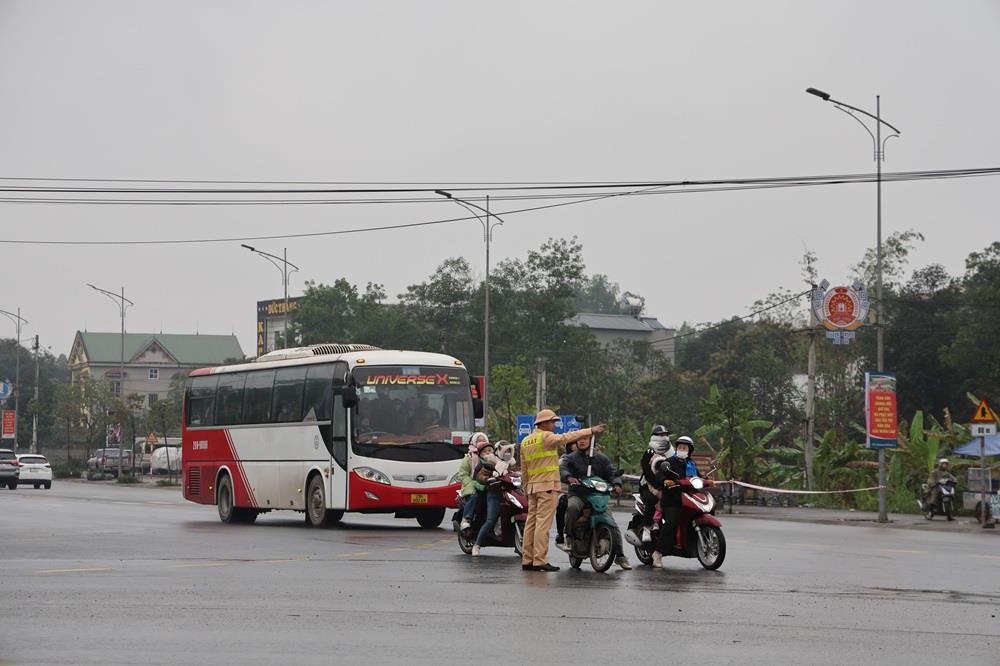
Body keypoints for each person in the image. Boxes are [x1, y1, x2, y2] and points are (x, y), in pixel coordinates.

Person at [520, 409, 605, 572]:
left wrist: (526, 488)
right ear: (543, 423)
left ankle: (527, 559)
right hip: (547, 487)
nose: (554, 425)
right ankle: (539, 560)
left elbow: (524, 469)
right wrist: (590, 431)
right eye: (552, 422)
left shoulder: (526, 441)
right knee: (542, 525)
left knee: (531, 524)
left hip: (532, 487)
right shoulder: (545, 437)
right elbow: (566, 438)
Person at [561, 435, 632, 570]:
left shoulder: (601, 459)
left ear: (591, 441)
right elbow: (564, 469)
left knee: (613, 524)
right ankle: (569, 537)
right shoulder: (571, 458)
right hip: (578, 494)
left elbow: (612, 473)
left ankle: (620, 556)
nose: (582, 441)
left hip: (598, 496)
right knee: (572, 508)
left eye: (585, 439)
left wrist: (617, 484)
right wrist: (569, 477)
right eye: (580, 439)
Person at [650, 435, 691, 569]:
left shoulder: (691, 464)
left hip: (688, 498)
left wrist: (707, 481)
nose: (682, 449)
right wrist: (665, 481)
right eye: (680, 447)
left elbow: (698, 477)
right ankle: (658, 553)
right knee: (672, 522)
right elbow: (660, 475)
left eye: (684, 448)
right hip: (672, 500)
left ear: (689, 450)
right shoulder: (669, 462)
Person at [635, 425, 673, 544]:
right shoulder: (649, 452)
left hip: (667, 484)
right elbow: (647, 472)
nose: (664, 437)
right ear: (654, 437)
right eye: (661, 435)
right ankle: (647, 527)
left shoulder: (671, 452)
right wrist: (658, 487)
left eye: (666, 434)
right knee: (651, 500)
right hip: (648, 485)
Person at [471, 441, 509, 555]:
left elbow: (515, 472)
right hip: (494, 494)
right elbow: (480, 476)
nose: (488, 453)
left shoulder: (508, 462)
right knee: (490, 520)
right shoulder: (489, 463)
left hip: (508, 493)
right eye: (485, 451)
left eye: (490, 450)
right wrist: (488, 479)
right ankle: (477, 545)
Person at [458, 433, 489, 531]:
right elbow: (463, 474)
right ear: (474, 442)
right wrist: (472, 484)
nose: (481, 442)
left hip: (485, 483)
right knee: (474, 496)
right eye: (479, 440)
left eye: (483, 440)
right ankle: (466, 519)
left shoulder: (490, 455)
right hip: (470, 485)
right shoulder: (469, 457)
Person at [554, 440, 578, 548]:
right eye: (575, 443)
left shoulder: (593, 458)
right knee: (562, 503)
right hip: (568, 490)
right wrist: (568, 477)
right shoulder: (565, 459)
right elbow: (562, 470)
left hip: (588, 490)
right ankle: (561, 533)